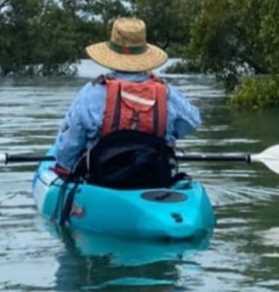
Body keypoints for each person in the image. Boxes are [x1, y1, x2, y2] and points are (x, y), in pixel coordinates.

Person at [53, 17, 201, 187]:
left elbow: (67, 149)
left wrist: (64, 167)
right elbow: (192, 121)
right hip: (154, 179)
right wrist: (166, 134)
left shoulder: (91, 92)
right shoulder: (166, 93)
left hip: (102, 180)